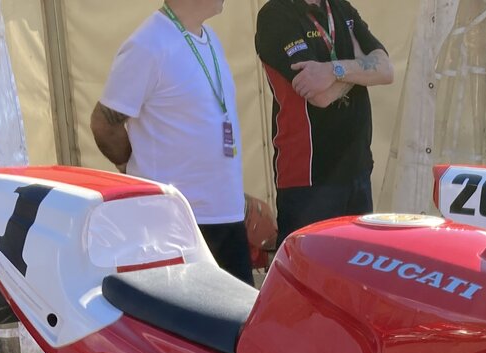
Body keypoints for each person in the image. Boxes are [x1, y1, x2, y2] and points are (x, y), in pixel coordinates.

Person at [91, 0, 256, 284]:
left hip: (225, 217)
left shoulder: (209, 37)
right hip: (174, 226)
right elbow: (104, 123)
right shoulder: (148, 44)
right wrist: (129, 166)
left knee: (241, 312)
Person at [255, 0, 394, 245]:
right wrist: (360, 68)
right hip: (308, 178)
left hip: (358, 169)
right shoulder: (276, 15)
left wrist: (333, 71)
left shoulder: (340, 7)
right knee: (309, 266)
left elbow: (386, 70)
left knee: (356, 266)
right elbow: (320, 96)